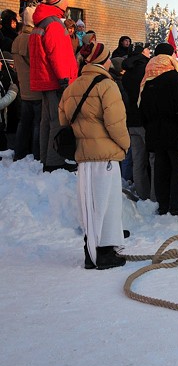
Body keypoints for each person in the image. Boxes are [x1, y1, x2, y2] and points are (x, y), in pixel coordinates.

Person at [58, 43, 130, 269]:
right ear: (104, 60)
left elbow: (63, 121)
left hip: (84, 156)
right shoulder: (107, 85)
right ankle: (105, 253)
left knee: (89, 206)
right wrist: (125, 145)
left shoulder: (72, 86)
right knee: (107, 205)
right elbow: (115, 123)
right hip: (105, 155)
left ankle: (91, 252)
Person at [29, 0, 79, 172]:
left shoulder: (41, 23)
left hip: (45, 79)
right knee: (57, 121)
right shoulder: (54, 24)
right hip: (55, 79)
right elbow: (57, 54)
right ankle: (54, 162)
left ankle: (45, 157)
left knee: (46, 121)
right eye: (65, 0)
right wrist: (64, 79)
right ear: (59, 3)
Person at [139, 44, 178, 216]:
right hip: (173, 130)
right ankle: (176, 205)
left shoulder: (147, 78)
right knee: (176, 168)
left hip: (154, 130)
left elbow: (142, 107)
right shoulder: (177, 78)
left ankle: (163, 204)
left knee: (160, 167)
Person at [121, 42, 152, 200]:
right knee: (152, 159)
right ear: (142, 53)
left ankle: (141, 193)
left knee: (137, 159)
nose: (149, 51)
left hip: (130, 120)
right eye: (147, 49)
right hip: (144, 121)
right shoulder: (146, 71)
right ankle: (153, 197)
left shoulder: (126, 74)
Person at [11, 6, 39, 161]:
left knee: (24, 123)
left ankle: (19, 152)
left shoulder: (17, 39)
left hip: (23, 87)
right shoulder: (32, 39)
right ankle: (36, 154)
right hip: (35, 88)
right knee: (37, 124)